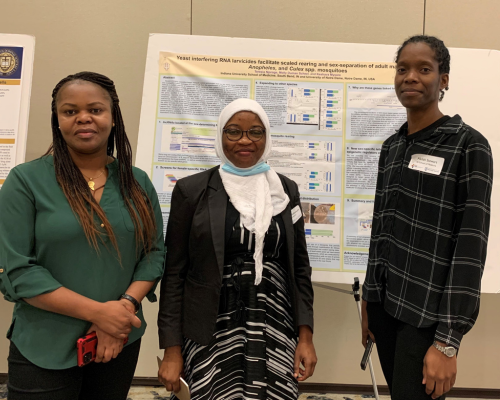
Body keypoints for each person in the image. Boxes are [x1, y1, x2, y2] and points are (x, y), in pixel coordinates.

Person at [0, 72, 165, 400]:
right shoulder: (25, 180)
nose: (83, 117)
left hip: (119, 340)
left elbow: (154, 253)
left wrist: (123, 308)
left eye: (95, 109)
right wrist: (99, 314)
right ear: (57, 120)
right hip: (43, 345)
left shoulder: (137, 182)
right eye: (70, 111)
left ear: (113, 118)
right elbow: (18, 270)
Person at [361, 35, 493, 400]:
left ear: (444, 79)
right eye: (402, 69)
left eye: (424, 69)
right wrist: (368, 305)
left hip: (427, 319)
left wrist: (448, 341)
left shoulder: (468, 145)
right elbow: (379, 234)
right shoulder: (392, 147)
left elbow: (470, 247)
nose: (410, 77)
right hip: (385, 309)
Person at [158, 98, 317, 400]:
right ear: (220, 135)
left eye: (255, 132)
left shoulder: (285, 190)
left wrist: (306, 336)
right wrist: (171, 349)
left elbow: (299, 268)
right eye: (234, 131)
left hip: (275, 324)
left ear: (266, 137)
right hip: (210, 327)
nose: (245, 140)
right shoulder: (192, 191)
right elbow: (175, 274)